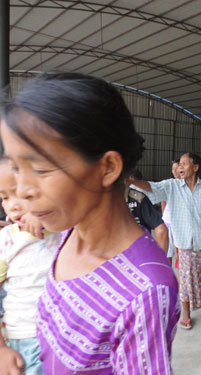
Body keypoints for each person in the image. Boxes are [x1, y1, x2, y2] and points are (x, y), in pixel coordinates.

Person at [0, 72, 179, 374]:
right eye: (17, 168)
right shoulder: (67, 232)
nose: (22, 190)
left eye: (41, 169)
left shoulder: (144, 291)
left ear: (108, 167)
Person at [133, 153, 201, 330]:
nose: (180, 167)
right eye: (179, 164)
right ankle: (186, 314)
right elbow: (151, 187)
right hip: (184, 242)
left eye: (184, 164)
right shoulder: (172, 186)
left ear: (195, 167)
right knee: (185, 279)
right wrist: (131, 181)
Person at [0, 160, 60, 375]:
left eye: (19, 194)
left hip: (64, 335)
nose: (12, 205)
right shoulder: (6, 240)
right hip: (23, 336)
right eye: (5, 197)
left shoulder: (62, 230)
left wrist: (43, 214)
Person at [125, 169, 169, 253]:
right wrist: (160, 261)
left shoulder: (103, 201)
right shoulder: (139, 197)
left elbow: (161, 230)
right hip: (141, 253)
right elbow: (161, 230)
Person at [161, 159, 181, 264]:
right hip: (168, 223)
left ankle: (181, 278)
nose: (174, 171)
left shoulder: (187, 185)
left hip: (180, 226)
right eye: (172, 168)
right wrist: (164, 216)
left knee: (180, 256)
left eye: (176, 168)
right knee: (167, 255)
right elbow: (163, 201)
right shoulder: (169, 184)